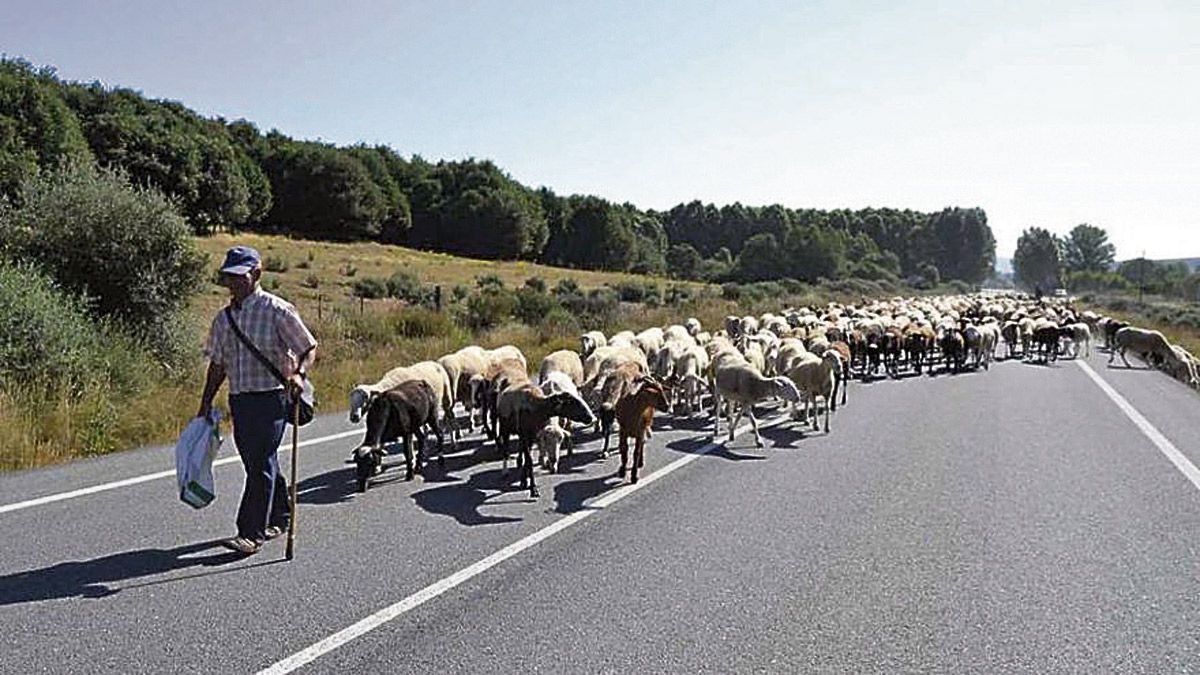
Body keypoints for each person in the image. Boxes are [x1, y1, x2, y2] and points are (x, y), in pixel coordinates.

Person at [197, 245, 317, 554]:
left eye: (240, 277)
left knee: (260, 460)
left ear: (256, 274)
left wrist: (299, 375)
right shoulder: (223, 320)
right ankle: (280, 514)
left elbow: (308, 347)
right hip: (241, 400)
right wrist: (206, 401)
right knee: (256, 461)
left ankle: (251, 532)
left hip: (273, 398)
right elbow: (219, 364)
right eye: (229, 278)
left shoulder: (277, 310)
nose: (234, 283)